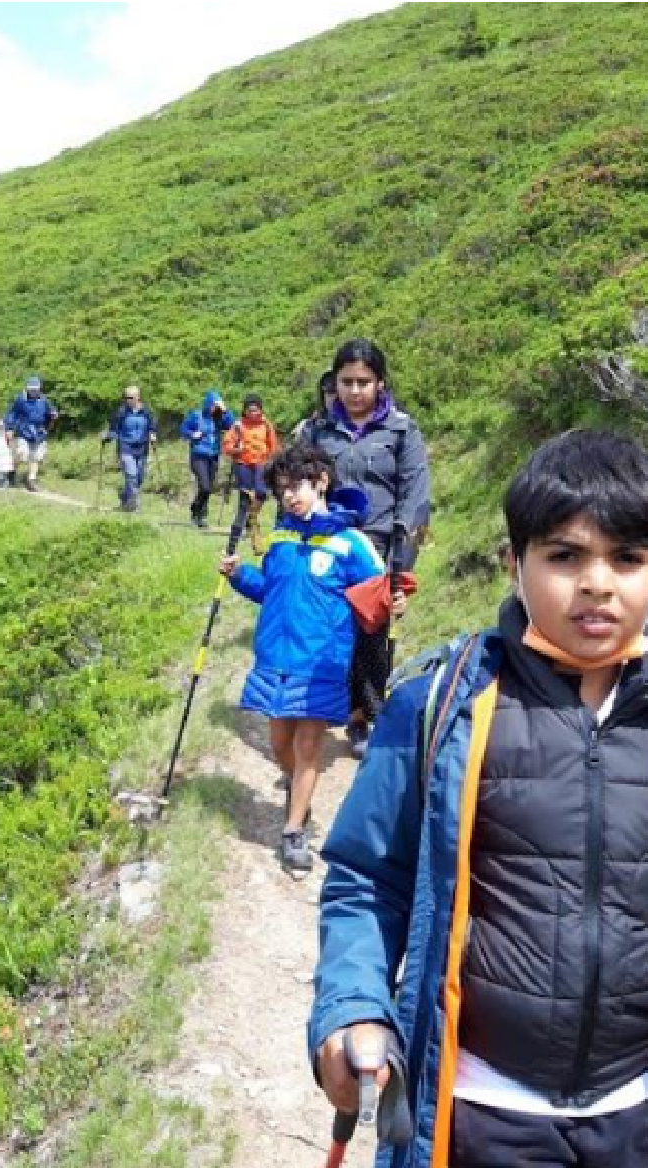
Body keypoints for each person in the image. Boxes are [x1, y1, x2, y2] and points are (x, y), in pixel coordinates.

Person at [308, 430, 648, 1169]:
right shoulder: (441, 708)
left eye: (628, 558)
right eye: (565, 556)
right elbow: (366, 877)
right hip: (479, 1111)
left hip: (646, 1115)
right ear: (515, 564)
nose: (598, 584)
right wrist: (351, 1007)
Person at [218, 443, 393, 874]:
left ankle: (294, 831)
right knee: (280, 744)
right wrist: (240, 574)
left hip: (321, 665)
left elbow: (379, 597)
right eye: (282, 490)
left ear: (321, 483)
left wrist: (394, 600)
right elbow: (268, 591)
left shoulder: (350, 543)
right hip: (275, 658)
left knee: (309, 744)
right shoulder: (280, 539)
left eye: (297, 486)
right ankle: (302, 795)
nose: (290, 496)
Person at [306, 339, 429, 756]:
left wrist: (400, 565)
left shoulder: (401, 430)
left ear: (380, 383)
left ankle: (364, 716)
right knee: (327, 628)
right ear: (334, 383)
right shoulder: (316, 431)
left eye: (364, 382)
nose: (355, 390)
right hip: (325, 544)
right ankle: (323, 706)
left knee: (371, 632)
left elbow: (414, 500)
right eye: (347, 382)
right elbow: (295, 484)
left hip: (376, 547)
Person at [222, 393, 280, 552]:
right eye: (250, 410)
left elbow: (274, 446)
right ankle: (231, 548)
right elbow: (226, 446)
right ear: (245, 410)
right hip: (244, 464)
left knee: (261, 493)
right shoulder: (238, 425)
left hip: (261, 464)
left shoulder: (266, 425)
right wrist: (236, 449)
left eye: (256, 410)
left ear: (260, 410)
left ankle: (252, 518)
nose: (253, 413)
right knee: (244, 503)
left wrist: (273, 461)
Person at [179, 388, 234, 528]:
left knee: (208, 488)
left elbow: (232, 425)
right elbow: (183, 429)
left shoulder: (220, 417)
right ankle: (197, 512)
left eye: (216, 406)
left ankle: (200, 516)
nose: (214, 409)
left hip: (213, 456)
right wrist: (192, 434)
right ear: (207, 404)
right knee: (204, 486)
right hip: (198, 455)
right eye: (212, 406)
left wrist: (225, 410)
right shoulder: (197, 415)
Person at [102, 384, 158, 512]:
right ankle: (134, 505)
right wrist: (107, 437)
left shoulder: (147, 411)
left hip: (143, 448)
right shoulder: (121, 412)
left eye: (130, 397)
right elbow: (114, 429)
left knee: (139, 478)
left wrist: (153, 435)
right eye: (125, 397)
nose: (127, 400)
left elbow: (152, 427)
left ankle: (124, 496)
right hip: (125, 447)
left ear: (138, 397)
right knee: (132, 475)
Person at [4, 375, 58, 492]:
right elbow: (12, 414)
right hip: (23, 431)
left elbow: (50, 412)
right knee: (22, 455)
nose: (33, 391)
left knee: (36, 457)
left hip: (39, 432)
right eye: (31, 389)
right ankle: (11, 471)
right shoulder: (20, 399)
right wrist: (9, 428)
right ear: (28, 388)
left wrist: (53, 414)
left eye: (36, 389)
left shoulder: (44, 400)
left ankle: (31, 481)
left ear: (39, 389)